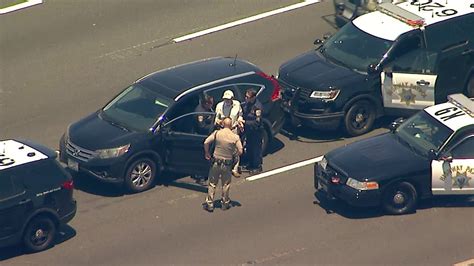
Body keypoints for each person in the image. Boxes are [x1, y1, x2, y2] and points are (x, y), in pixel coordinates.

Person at [202, 117, 243, 212]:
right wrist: (233, 153)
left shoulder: (217, 133)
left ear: (223, 124)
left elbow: (206, 142)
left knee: (212, 183)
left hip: (216, 162)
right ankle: (225, 203)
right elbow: (240, 151)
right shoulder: (235, 137)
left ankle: (210, 204)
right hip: (227, 164)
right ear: (231, 125)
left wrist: (207, 152)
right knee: (225, 184)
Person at [214, 90, 244, 177]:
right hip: (223, 130)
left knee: (236, 150)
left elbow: (240, 114)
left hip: (234, 130)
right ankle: (222, 169)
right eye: (225, 99)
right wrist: (219, 122)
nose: (226, 101)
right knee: (223, 150)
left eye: (228, 99)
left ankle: (235, 169)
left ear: (232, 99)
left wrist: (240, 120)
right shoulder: (219, 106)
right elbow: (215, 118)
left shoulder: (237, 104)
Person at [242, 88, 264, 174]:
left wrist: (245, 122)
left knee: (256, 149)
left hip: (256, 131)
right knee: (249, 147)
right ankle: (250, 164)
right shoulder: (248, 104)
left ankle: (257, 166)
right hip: (249, 131)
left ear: (253, 97)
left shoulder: (257, 107)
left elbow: (257, 122)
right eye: (246, 96)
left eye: (248, 97)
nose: (246, 98)